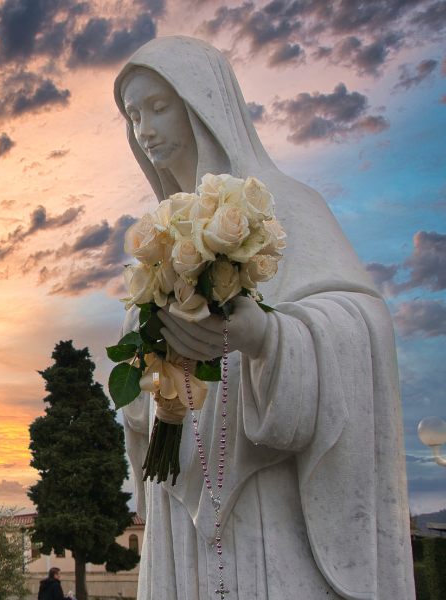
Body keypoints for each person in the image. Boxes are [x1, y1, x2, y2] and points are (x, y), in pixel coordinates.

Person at [114, 36, 414, 599]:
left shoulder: (283, 205)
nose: (145, 129)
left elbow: (361, 324)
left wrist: (265, 337)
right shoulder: (158, 234)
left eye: (159, 107)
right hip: (182, 484)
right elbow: (140, 394)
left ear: (202, 105)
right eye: (134, 116)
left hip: (265, 494)